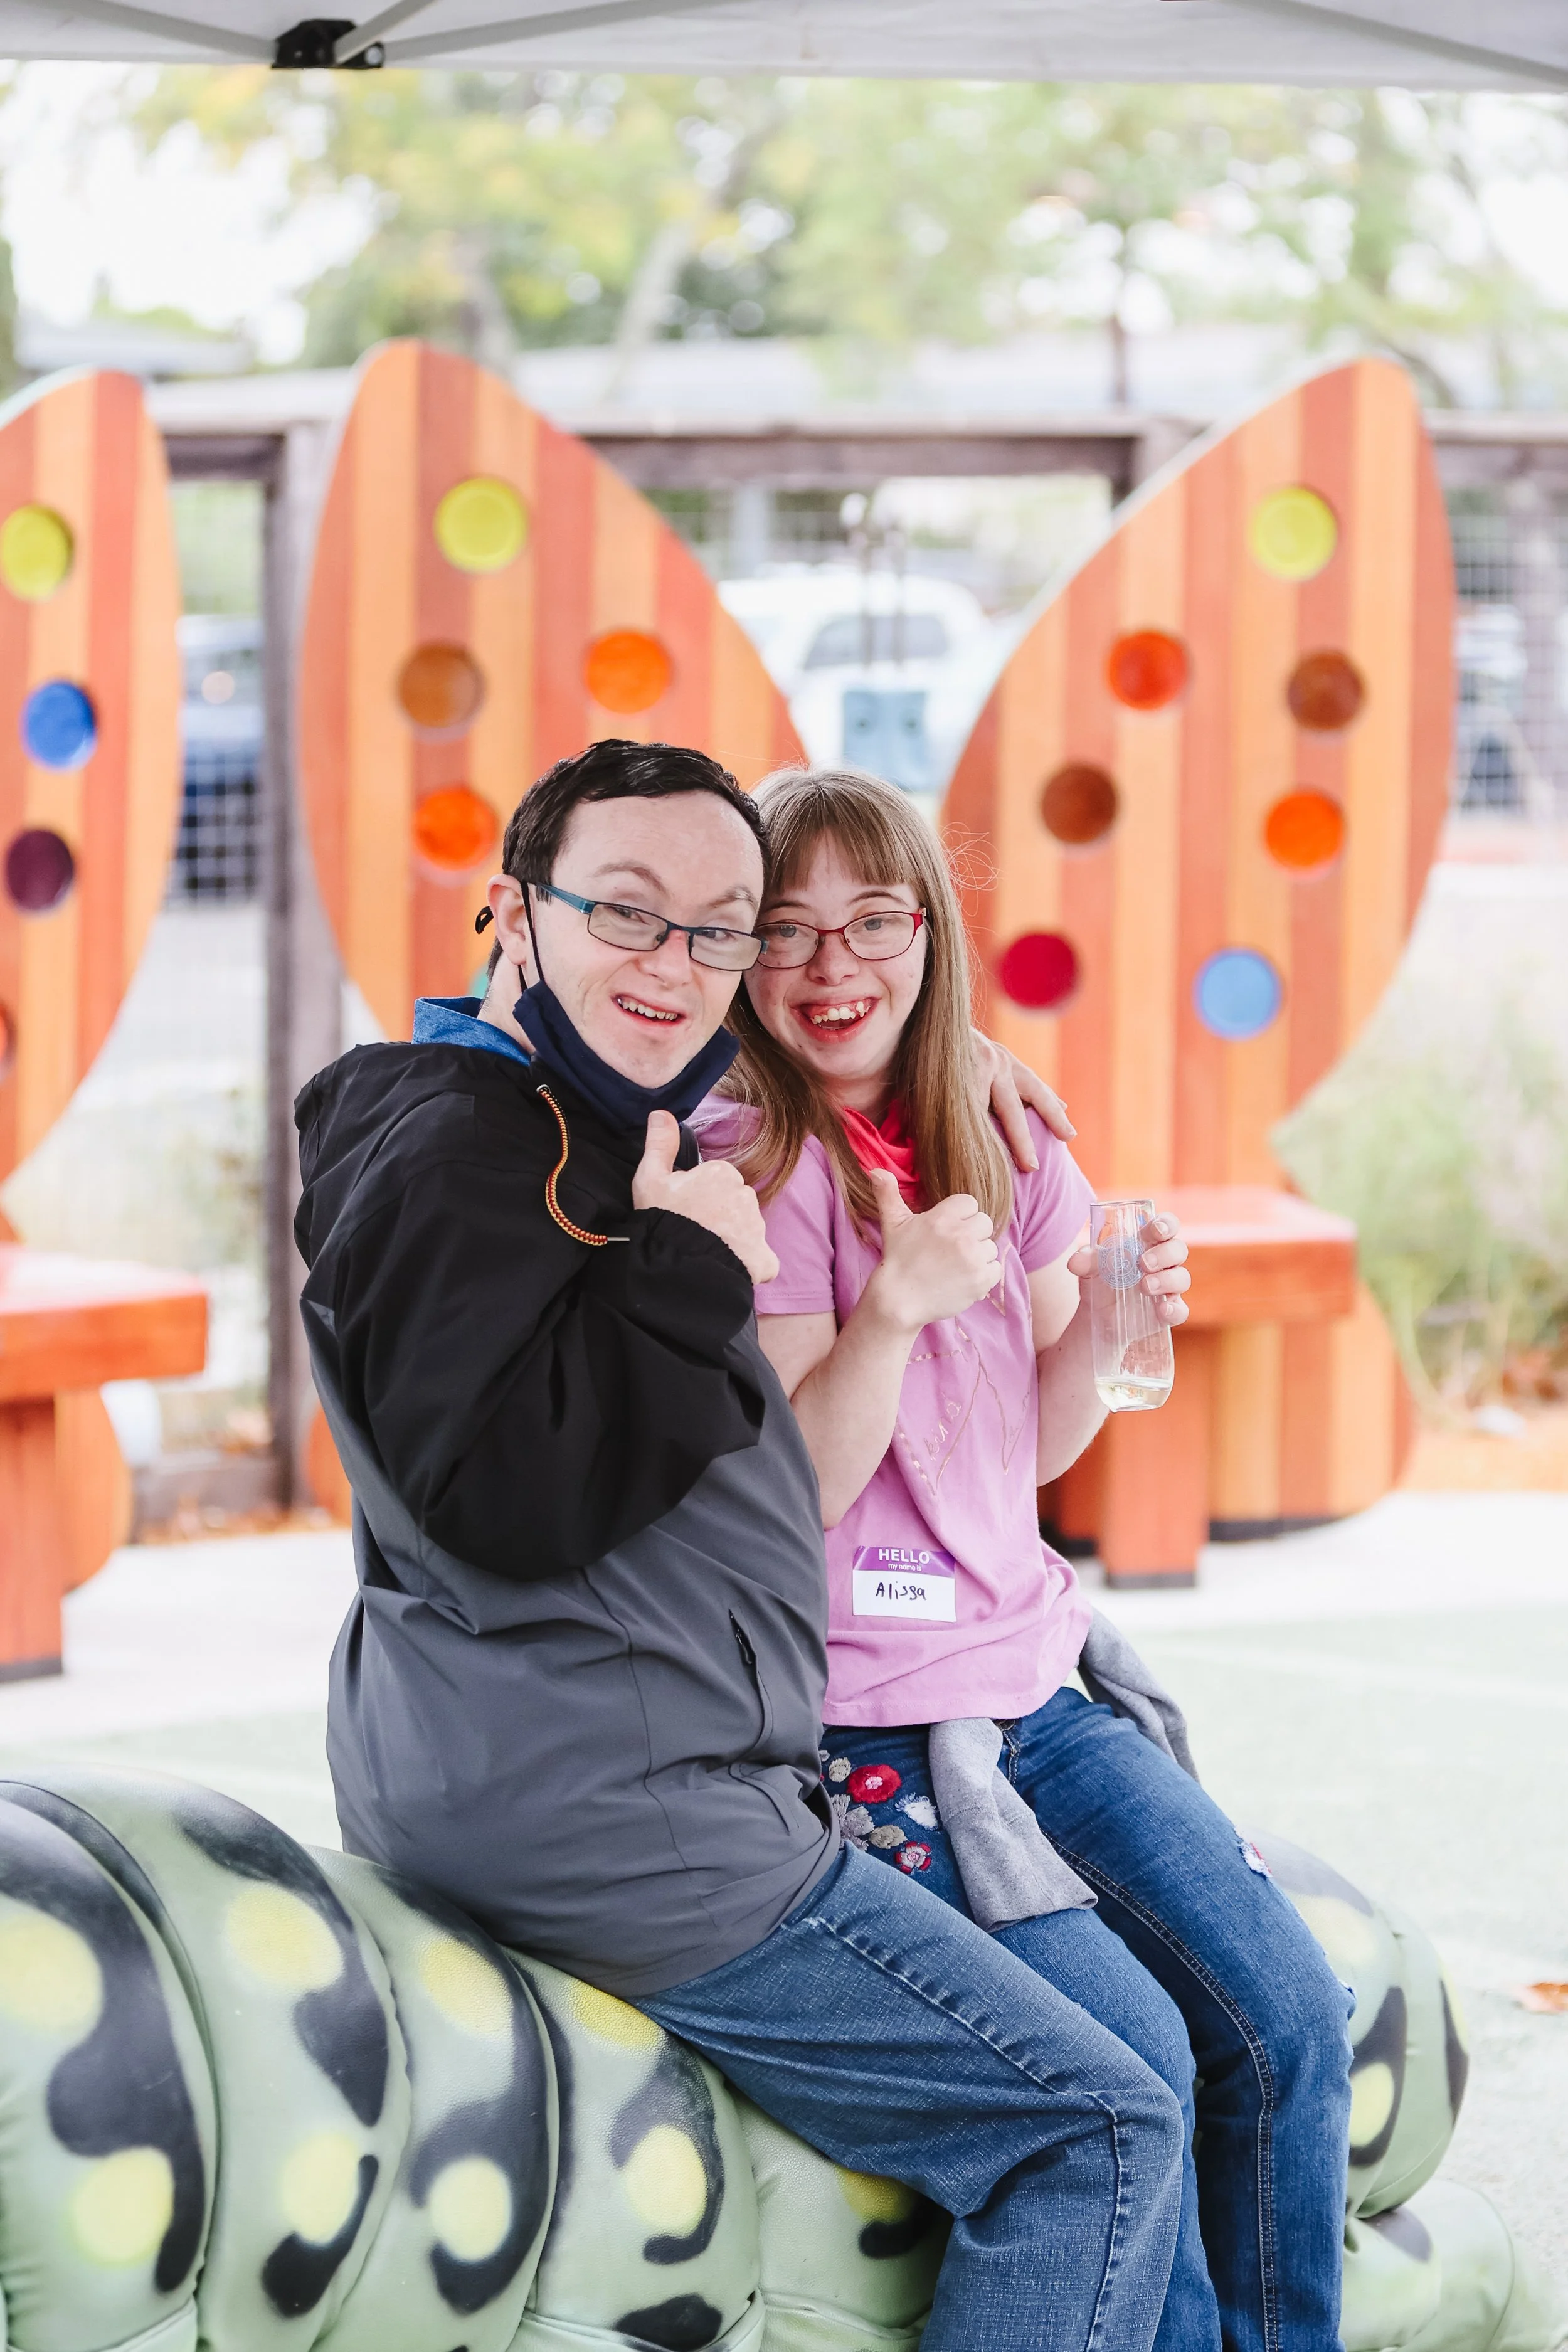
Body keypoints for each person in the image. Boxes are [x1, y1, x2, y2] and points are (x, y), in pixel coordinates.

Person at [295, 738, 1189, 2352]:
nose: (680, 964)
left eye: (722, 929)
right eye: (628, 915)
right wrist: (688, 1272)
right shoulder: (460, 1149)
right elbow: (498, 1500)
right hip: (618, 1810)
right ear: (510, 912)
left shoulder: (584, 1112)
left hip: (608, 1766)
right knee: (1095, 2130)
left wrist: (952, 1049)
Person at [699, 764, 1355, 2352]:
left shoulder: (994, 1126)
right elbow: (795, 1490)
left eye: (872, 921)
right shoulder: (747, 1160)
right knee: (1128, 2058)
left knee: (1287, 2016)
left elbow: (1040, 1446)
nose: (832, 965)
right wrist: (890, 1313)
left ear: (929, 932)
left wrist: (1117, 1324)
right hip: (869, 1725)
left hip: (1037, 1685)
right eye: (785, 931)